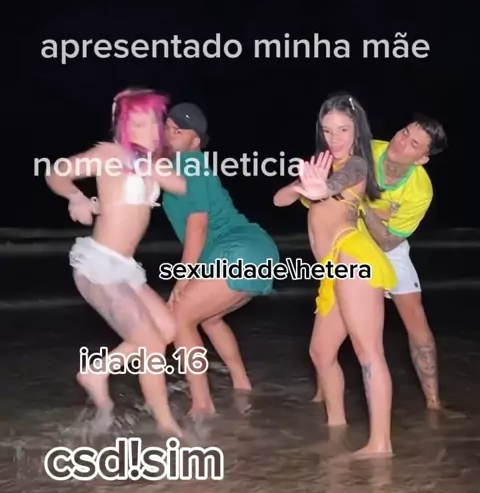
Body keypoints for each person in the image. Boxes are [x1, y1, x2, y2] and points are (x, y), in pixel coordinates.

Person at [45, 87, 187, 438]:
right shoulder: (110, 154)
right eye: (137, 123)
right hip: (98, 267)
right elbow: (56, 172)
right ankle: (167, 427)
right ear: (123, 126)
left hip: (125, 268)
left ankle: (98, 371)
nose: (148, 130)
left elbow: (180, 186)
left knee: (167, 330)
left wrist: (152, 164)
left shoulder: (153, 162)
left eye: (153, 122)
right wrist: (76, 197)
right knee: (151, 345)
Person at [273, 93, 397, 457]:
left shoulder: (356, 165)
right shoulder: (322, 166)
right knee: (320, 352)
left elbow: (340, 181)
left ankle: (381, 444)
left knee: (368, 352)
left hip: (352, 256)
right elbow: (279, 200)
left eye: (343, 129)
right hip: (332, 270)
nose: (335, 138)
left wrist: (322, 188)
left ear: (357, 129)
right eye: (327, 130)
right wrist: (302, 185)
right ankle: (336, 425)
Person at [311, 115, 448, 409]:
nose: (401, 141)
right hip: (347, 239)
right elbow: (327, 193)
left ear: (422, 159)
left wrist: (361, 205)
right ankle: (322, 394)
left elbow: (388, 241)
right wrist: (375, 211)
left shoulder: (421, 191)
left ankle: (434, 402)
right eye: (404, 132)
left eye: (413, 144)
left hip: (387, 246)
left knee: (415, 317)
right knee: (331, 310)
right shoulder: (366, 150)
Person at [161, 102, 280, 419]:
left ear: (196, 140)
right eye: (167, 127)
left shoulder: (189, 163)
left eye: (178, 131)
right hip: (258, 252)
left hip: (239, 250)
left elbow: (198, 225)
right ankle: (242, 384)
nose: (169, 134)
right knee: (209, 318)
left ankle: (202, 405)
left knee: (179, 316)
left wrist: (183, 277)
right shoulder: (178, 168)